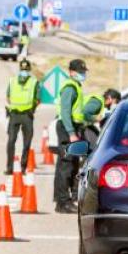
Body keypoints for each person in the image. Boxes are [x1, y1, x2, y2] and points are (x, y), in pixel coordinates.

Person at [53, 59, 88, 214]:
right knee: (66, 165)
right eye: (80, 72)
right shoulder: (70, 88)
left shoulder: (76, 86)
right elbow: (65, 113)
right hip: (68, 129)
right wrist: (71, 133)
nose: (82, 74)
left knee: (70, 164)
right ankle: (62, 202)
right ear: (71, 72)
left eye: (83, 72)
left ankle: (63, 200)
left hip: (72, 128)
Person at [5, 59, 40, 174]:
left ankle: (23, 167)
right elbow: (8, 96)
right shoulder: (12, 81)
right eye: (23, 70)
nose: (24, 71)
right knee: (11, 141)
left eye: (26, 70)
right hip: (14, 114)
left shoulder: (34, 82)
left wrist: (32, 109)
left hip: (26, 115)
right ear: (20, 70)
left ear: (29, 70)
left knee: (27, 142)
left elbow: (38, 99)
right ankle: (9, 168)